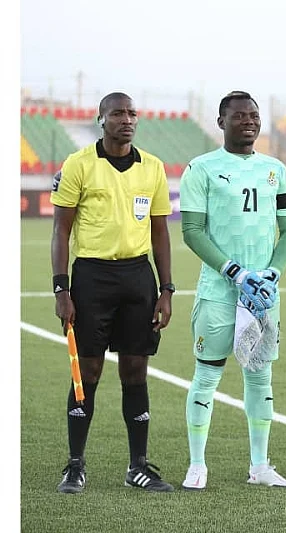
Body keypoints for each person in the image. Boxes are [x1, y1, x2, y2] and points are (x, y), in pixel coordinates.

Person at [51, 92, 175, 493]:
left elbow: (160, 231)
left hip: (138, 277)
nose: (127, 119)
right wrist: (61, 288)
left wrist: (166, 289)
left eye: (132, 113)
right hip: (92, 277)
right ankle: (75, 465)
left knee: (136, 370)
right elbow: (61, 230)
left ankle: (138, 466)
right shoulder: (78, 164)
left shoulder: (153, 167)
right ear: (101, 119)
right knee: (86, 372)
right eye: (118, 113)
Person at [178, 91, 286, 490]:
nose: (249, 121)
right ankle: (197, 465)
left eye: (254, 115)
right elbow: (192, 231)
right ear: (221, 122)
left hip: (261, 295)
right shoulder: (201, 168)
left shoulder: (276, 170)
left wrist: (272, 273)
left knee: (260, 377)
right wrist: (234, 272)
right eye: (239, 116)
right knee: (207, 375)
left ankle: (260, 466)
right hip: (218, 292)